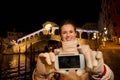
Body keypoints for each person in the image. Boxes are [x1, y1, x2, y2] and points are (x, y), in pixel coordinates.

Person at [32, 19, 114, 80]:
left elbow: (111, 78)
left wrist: (102, 72)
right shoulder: (54, 56)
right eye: (64, 32)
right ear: (60, 35)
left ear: (75, 34)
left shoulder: (86, 51)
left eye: (71, 32)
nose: (68, 35)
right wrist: (39, 75)